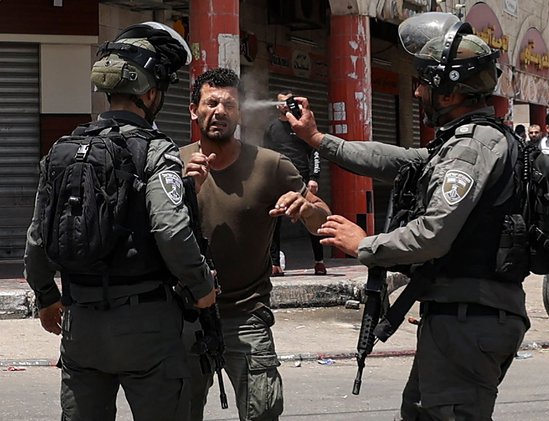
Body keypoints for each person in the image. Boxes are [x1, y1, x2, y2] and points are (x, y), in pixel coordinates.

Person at [288, 12, 529, 420]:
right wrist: (318, 139)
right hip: (463, 317)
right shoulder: (465, 143)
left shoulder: (470, 151)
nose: (416, 93)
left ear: (449, 92)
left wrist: (363, 244)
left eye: (422, 83)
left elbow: (434, 234)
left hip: (469, 321)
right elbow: (396, 160)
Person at [23, 22, 216, 420]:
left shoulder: (63, 150)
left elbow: (36, 240)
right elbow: (171, 230)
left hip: (81, 327)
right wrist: (201, 287)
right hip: (147, 327)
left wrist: (46, 298)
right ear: (149, 93)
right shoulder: (157, 150)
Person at [180, 68, 331, 421]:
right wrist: (188, 191)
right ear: (193, 110)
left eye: (229, 104)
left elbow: (324, 219)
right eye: (211, 102)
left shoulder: (270, 165)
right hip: (183, 317)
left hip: (246, 316)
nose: (219, 111)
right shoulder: (173, 163)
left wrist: (307, 208)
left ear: (240, 112)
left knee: (262, 412)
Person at [263, 90, 326, 276]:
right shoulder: (271, 128)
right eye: (280, 102)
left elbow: (315, 151)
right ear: (276, 106)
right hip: (277, 179)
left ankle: (319, 261)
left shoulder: (301, 126)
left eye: (287, 102)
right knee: (273, 220)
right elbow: (265, 154)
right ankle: (275, 264)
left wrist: (314, 177)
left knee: (312, 217)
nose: (283, 105)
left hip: (302, 180)